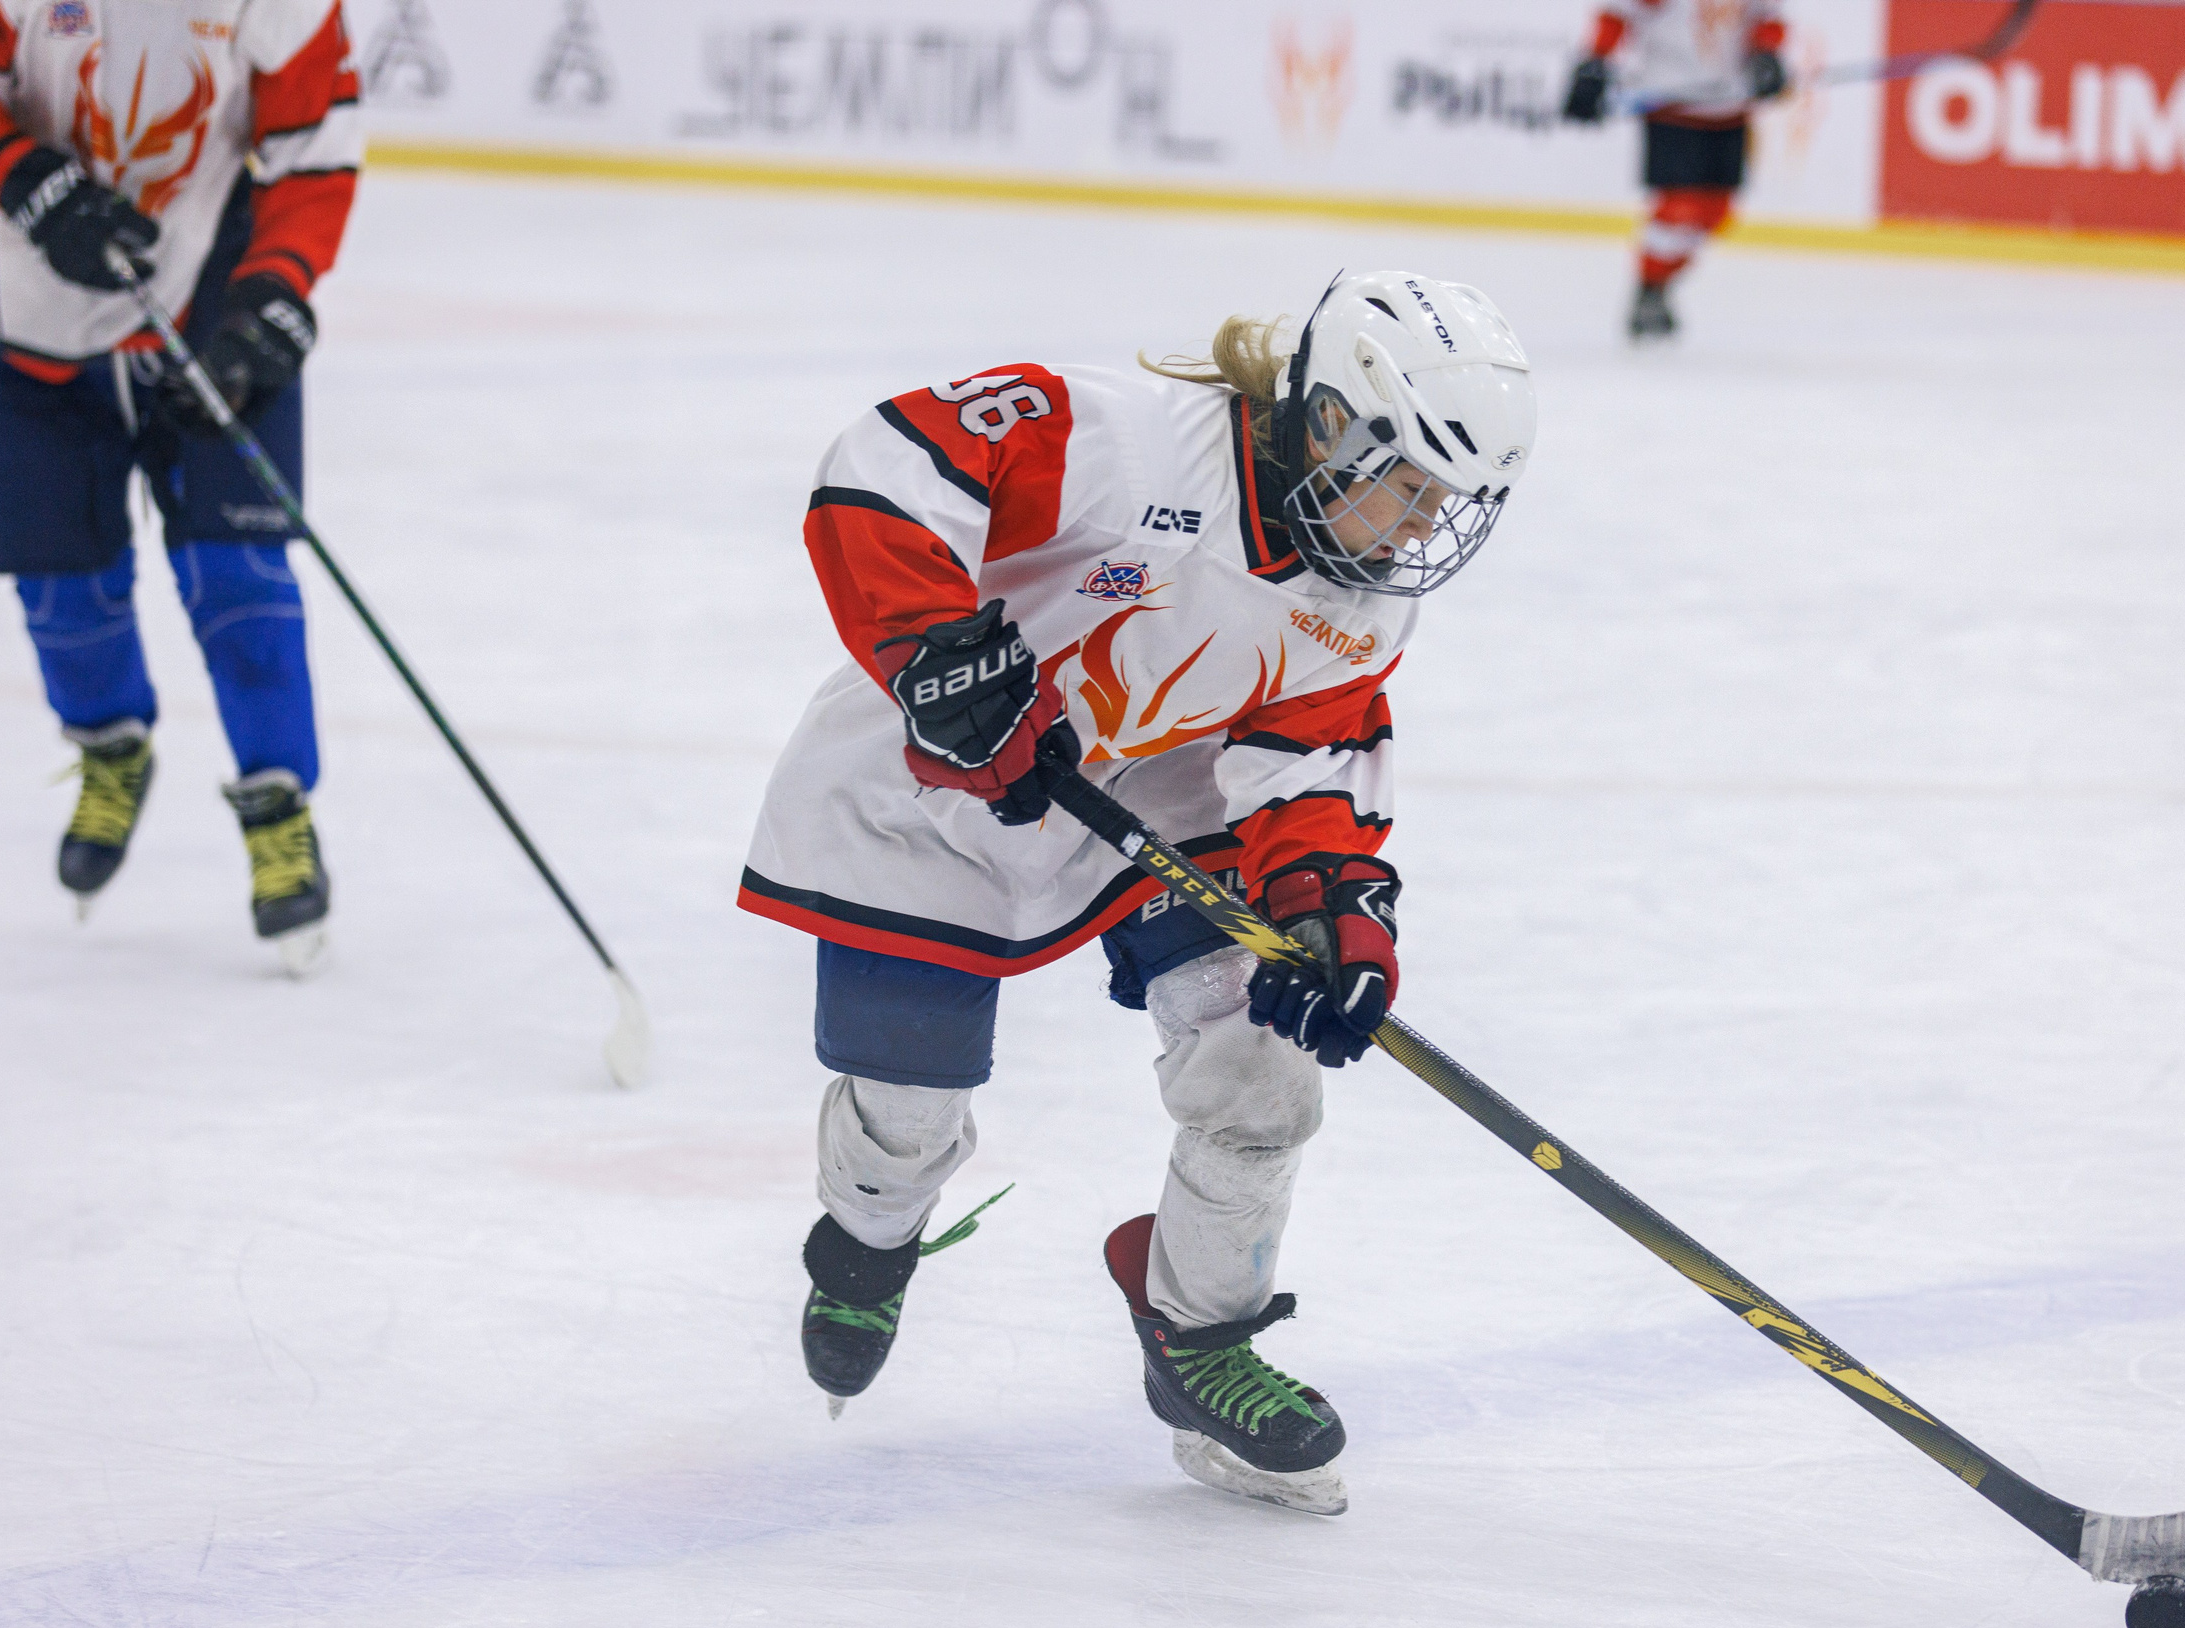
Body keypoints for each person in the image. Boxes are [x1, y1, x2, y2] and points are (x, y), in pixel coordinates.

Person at [740, 271, 1537, 1514]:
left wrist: (1334, 909)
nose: (1418, 527)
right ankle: (866, 1231)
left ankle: (1200, 1340)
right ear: (1329, 422)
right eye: (1409, 483)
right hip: (930, 785)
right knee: (908, 1116)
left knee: (1259, 1069)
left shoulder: (1361, 594)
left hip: (1161, 799)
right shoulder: (1126, 442)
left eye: (1448, 501)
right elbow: (886, 460)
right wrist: (941, 652)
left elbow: (1308, 753)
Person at [0, 1, 362, 968]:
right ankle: (110, 742)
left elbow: (315, 140)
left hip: (210, 298)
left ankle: (279, 805)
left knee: (238, 570)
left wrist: (278, 289)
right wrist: (22, 174)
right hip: (39, 322)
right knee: (60, 583)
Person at [1561, 1, 1789, 340]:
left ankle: (1661, 282)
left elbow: (1766, 17)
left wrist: (1766, 54)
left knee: (1716, 212)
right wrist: (1596, 60)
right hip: (1672, 101)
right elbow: (1619, 14)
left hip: (1730, 103)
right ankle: (1649, 288)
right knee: (1679, 209)